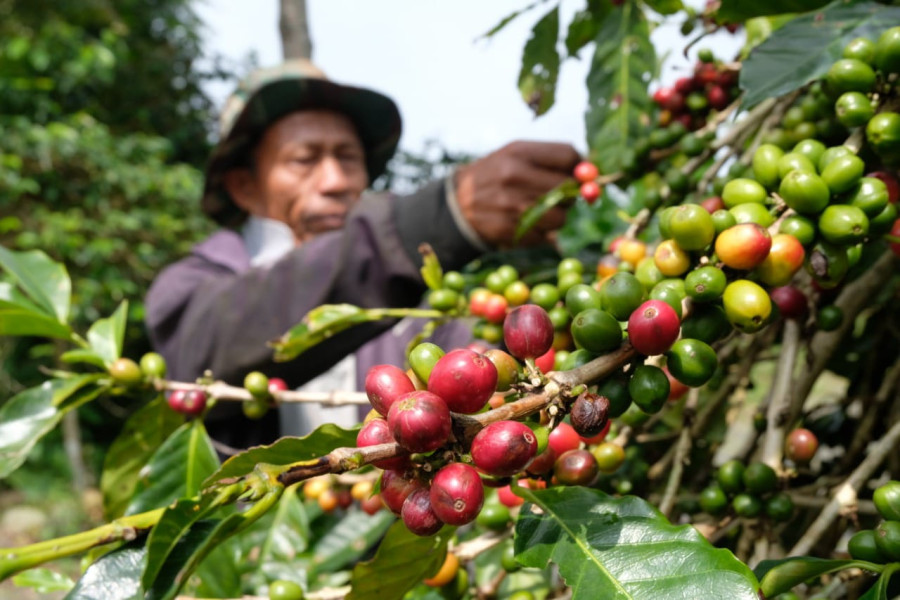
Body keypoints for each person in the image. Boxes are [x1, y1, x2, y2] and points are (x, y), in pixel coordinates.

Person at [145, 59, 580, 448]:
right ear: (245, 186)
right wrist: (442, 217)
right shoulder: (192, 287)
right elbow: (208, 350)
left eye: (348, 157)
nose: (335, 180)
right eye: (304, 159)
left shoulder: (415, 308)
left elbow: (487, 375)